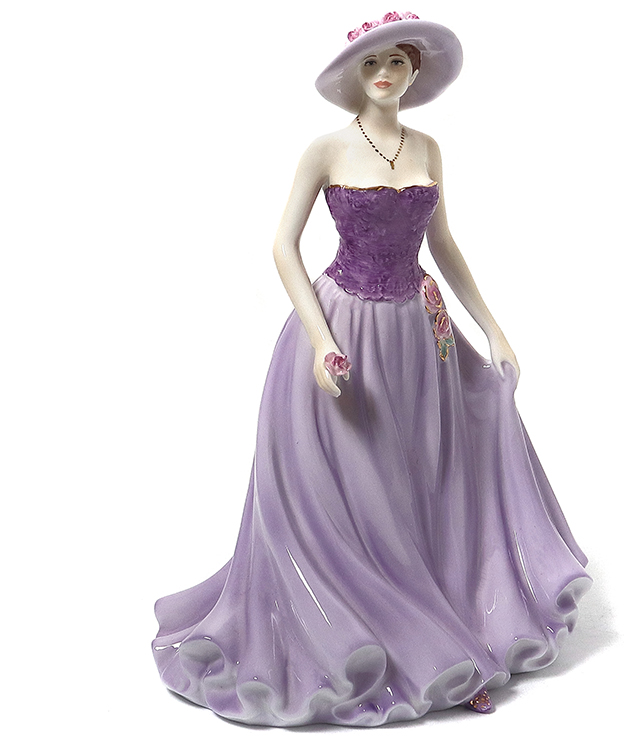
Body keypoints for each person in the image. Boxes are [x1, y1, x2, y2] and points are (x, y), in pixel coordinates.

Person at [152, 12, 591, 728]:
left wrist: (492, 325)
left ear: (415, 71)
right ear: (354, 75)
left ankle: (446, 631)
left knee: (424, 481)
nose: (384, 73)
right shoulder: (325, 149)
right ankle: (373, 640)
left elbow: (442, 243)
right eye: (371, 62)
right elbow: (283, 247)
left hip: (419, 335)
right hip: (346, 329)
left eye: (397, 61)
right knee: (352, 489)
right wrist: (321, 339)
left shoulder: (429, 148)